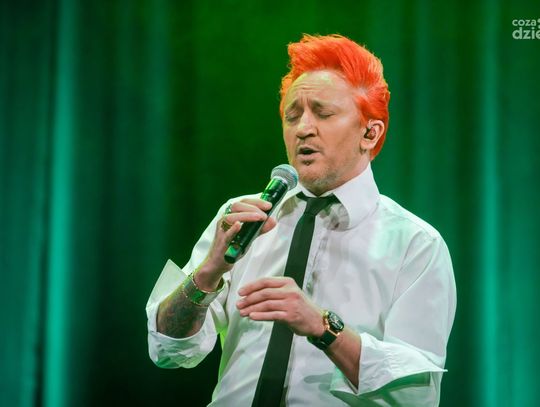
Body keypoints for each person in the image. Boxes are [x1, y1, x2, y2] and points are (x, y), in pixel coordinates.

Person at [146, 34, 456, 406]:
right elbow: (169, 350)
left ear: (370, 133)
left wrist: (323, 327)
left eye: (323, 113)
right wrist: (208, 272)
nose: (303, 128)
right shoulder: (243, 218)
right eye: (292, 116)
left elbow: (415, 394)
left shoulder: (415, 244)